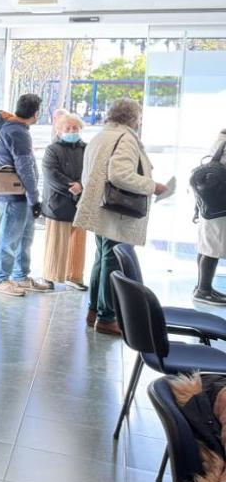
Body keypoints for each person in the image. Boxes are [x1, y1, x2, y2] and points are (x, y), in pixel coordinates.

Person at [73, 98, 163, 335]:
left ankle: (94, 309)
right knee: (112, 262)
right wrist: (153, 185)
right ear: (134, 118)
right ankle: (106, 316)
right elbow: (120, 175)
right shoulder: (125, 139)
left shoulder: (101, 136)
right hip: (117, 211)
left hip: (101, 207)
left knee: (102, 258)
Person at [0, 93, 51, 296]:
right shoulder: (18, 132)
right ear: (35, 114)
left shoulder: (9, 126)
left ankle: (20, 276)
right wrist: (35, 199)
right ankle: (1, 279)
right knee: (9, 239)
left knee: (24, 238)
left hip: (20, 196)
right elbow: (25, 168)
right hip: (14, 195)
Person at [41, 112, 88, 290]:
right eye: (67, 128)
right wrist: (72, 186)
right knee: (56, 242)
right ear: (59, 131)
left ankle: (74, 277)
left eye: (75, 128)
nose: (72, 130)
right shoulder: (52, 149)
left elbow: (92, 171)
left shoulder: (86, 149)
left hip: (81, 202)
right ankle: (50, 276)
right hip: (58, 202)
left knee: (78, 243)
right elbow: (50, 173)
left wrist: (81, 185)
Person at [194, 127, 226, 306]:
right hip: (219, 206)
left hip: (210, 204)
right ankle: (203, 291)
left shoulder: (220, 138)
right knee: (211, 247)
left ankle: (203, 287)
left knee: (207, 245)